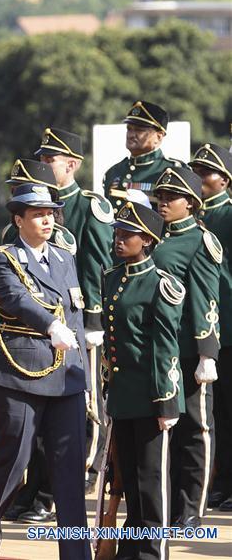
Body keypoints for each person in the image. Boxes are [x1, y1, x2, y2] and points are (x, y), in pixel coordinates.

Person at [0, 183, 90, 560]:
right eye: (37, 214)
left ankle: (76, 554)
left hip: (65, 376)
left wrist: (80, 371)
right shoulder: (3, 258)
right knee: (11, 465)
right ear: (18, 220)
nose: (47, 219)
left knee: (68, 473)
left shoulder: (64, 257)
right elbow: (14, 298)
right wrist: (51, 326)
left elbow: (76, 313)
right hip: (21, 372)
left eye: (50, 213)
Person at [104, 196, 185, 560]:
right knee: (130, 480)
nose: (119, 239)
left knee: (152, 482)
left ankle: (154, 551)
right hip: (123, 395)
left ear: (148, 240)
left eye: (128, 234)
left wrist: (167, 400)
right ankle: (131, 548)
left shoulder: (160, 284)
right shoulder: (112, 278)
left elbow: (164, 348)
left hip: (153, 397)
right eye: (117, 232)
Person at [36, 127, 114, 493]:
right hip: (49, 316)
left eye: (49, 159)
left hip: (81, 316)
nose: (44, 164)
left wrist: (94, 318)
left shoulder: (88, 206)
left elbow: (97, 264)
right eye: (42, 158)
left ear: (72, 164)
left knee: (87, 396)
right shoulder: (38, 204)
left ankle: (88, 464)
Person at [151, 165, 221, 529]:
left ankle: (193, 507)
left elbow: (205, 298)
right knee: (164, 431)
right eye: (160, 196)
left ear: (191, 203)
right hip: (156, 351)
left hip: (187, 350)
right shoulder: (153, 237)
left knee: (195, 428)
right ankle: (168, 502)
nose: (163, 202)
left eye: (171, 197)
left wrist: (207, 352)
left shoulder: (200, 241)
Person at [191, 144, 232, 511]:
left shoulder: (229, 216)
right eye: (197, 171)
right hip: (203, 330)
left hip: (229, 326)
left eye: (207, 172)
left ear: (225, 180)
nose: (201, 178)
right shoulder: (193, 219)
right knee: (212, 413)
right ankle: (218, 482)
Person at [102, 100, 175, 211]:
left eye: (139, 130)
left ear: (159, 137)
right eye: (129, 129)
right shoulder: (113, 172)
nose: (131, 135)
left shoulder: (172, 171)